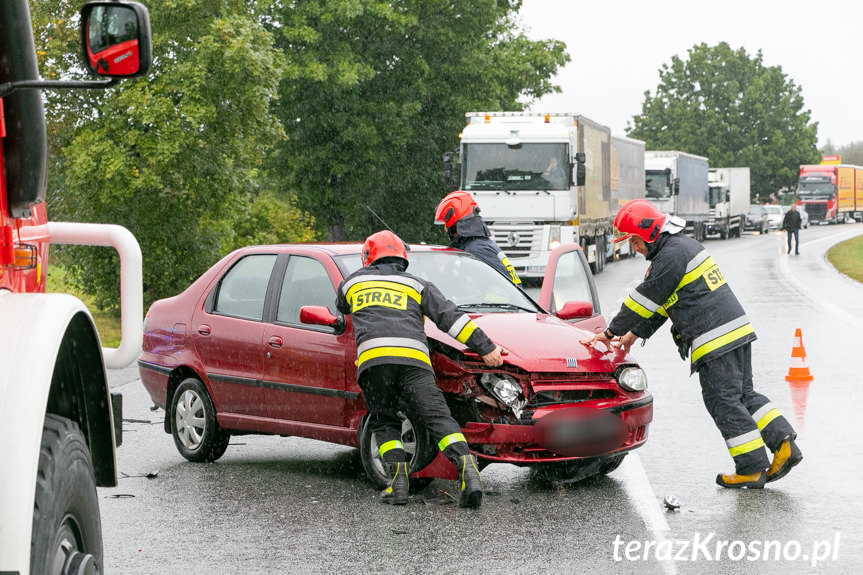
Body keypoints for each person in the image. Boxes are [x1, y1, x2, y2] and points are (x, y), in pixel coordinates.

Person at [580, 199, 802, 489]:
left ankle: (751, 468)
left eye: (633, 241)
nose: (633, 249)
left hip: (715, 339)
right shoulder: (681, 248)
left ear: (647, 234)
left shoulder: (668, 258)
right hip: (736, 331)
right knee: (744, 395)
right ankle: (784, 445)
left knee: (723, 401)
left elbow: (643, 299)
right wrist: (634, 335)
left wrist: (609, 334)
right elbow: (661, 305)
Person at [336, 230, 505, 508]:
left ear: (368, 257)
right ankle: (468, 472)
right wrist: (486, 348)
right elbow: (451, 320)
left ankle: (398, 485)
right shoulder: (418, 285)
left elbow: (341, 305)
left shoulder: (353, 283)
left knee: (386, 420)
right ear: (403, 258)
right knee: (439, 419)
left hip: (374, 366)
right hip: (415, 364)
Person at [434, 190, 522, 285]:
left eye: (446, 225)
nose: (445, 229)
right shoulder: (480, 245)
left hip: (497, 299)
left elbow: (476, 288)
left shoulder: (475, 251)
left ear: (455, 225)